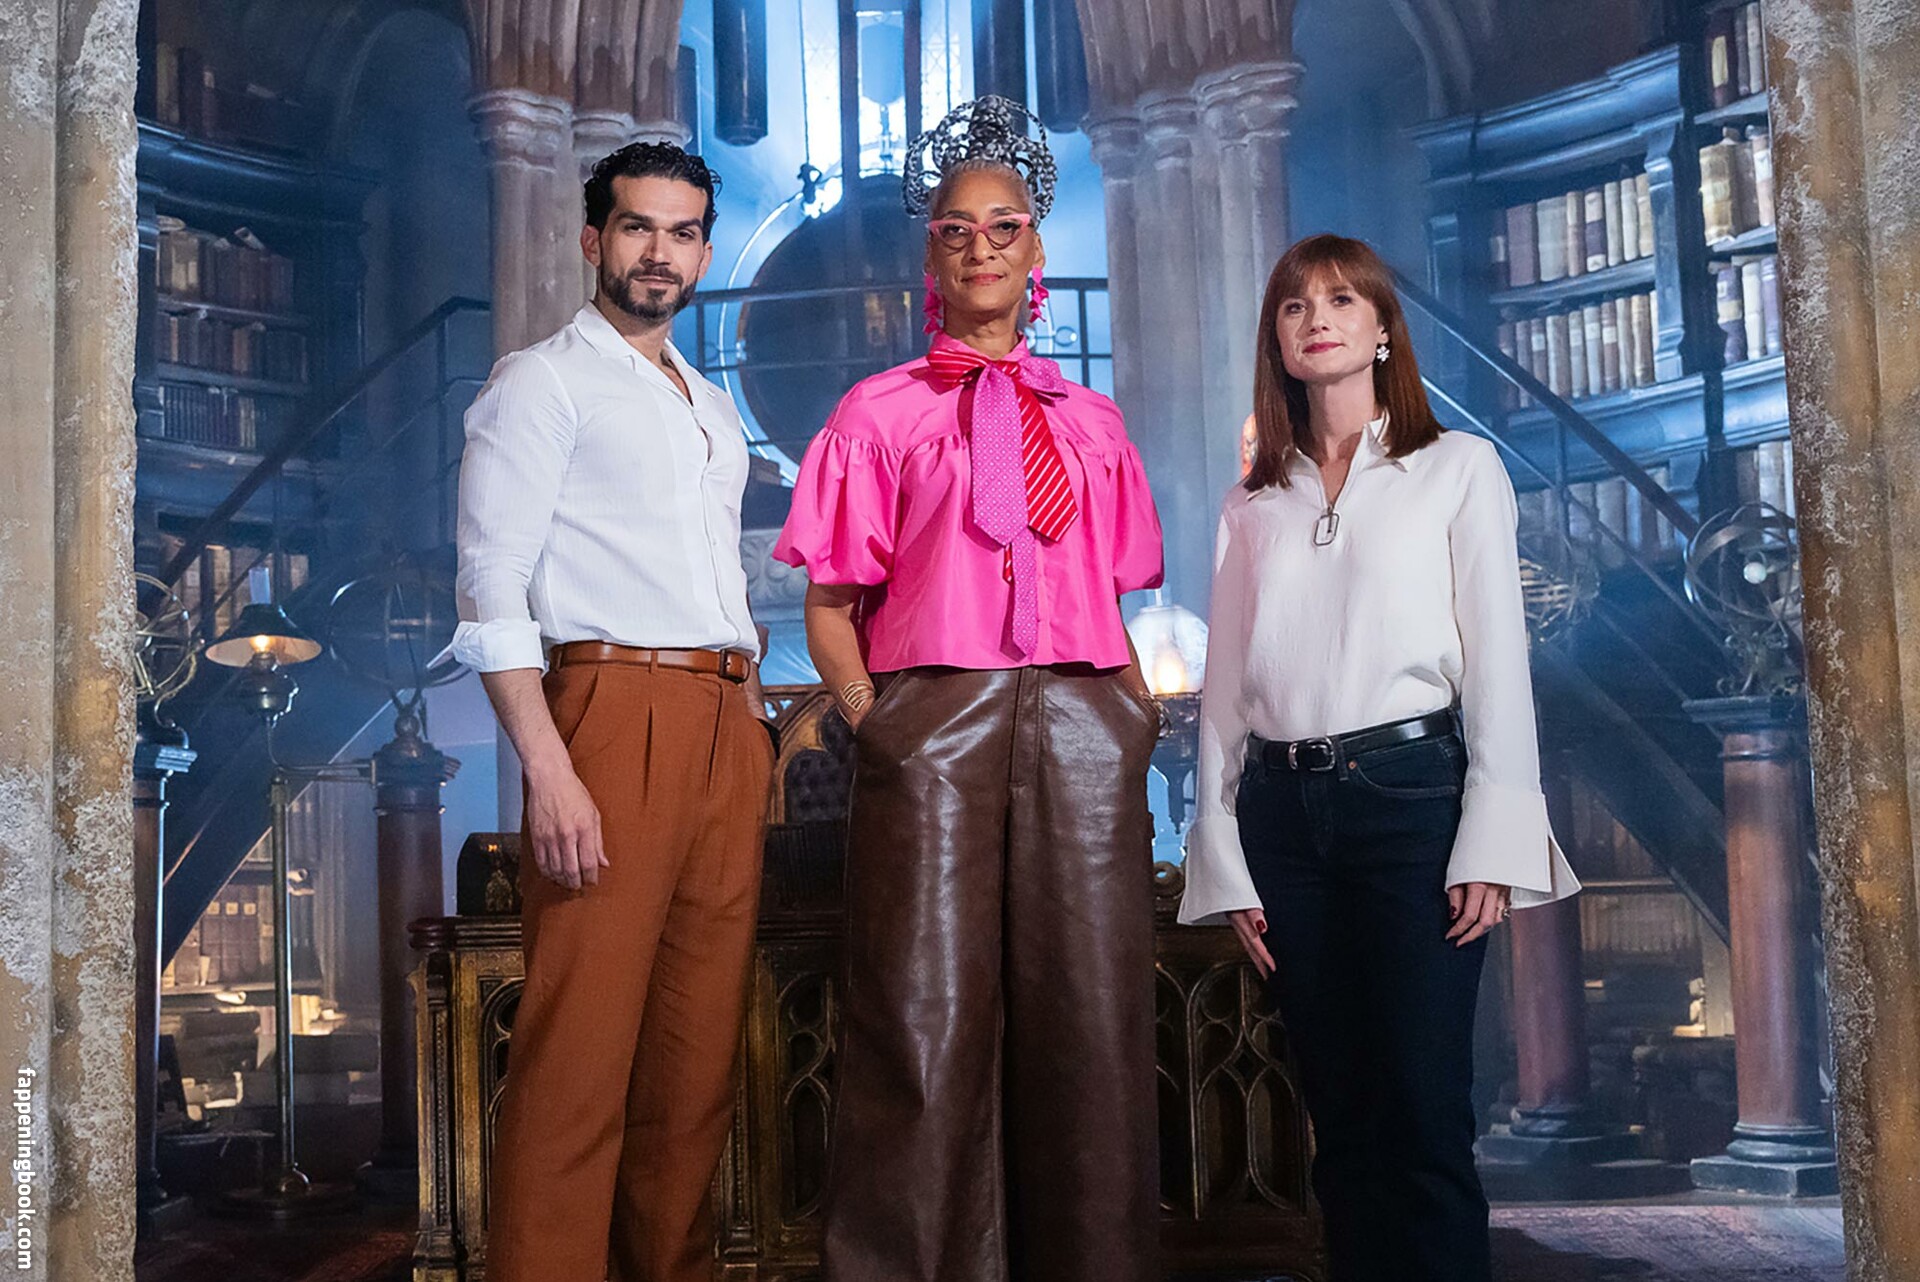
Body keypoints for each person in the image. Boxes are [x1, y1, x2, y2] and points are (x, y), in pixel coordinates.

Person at [772, 96, 1166, 1282]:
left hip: (1086, 721)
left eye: (1004, 226)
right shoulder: (877, 414)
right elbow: (831, 603)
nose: (981, 245)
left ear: (1036, 250)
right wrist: (878, 720)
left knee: (1091, 1026)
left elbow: (1117, 592)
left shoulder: (1093, 423)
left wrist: (1133, 716)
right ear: (931, 257)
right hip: (932, 724)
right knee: (920, 1023)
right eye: (957, 229)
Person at [1179, 234, 1580, 1282]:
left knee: (1424, 1112)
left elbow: (1498, 660)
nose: (1317, 318)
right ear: (1276, 338)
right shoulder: (1253, 501)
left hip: (1412, 802)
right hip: (1282, 818)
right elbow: (1225, 690)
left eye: (1342, 300)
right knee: (1343, 1122)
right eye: (1294, 305)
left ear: (1383, 329)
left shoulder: (1457, 468)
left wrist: (1492, 834)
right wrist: (1221, 847)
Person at [450, 141, 775, 1282]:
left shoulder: (710, 407)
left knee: (693, 1070)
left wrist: (750, 715)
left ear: (704, 252)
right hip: (609, 712)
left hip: (725, 725)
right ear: (594, 239)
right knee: (578, 1061)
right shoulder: (539, 383)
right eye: (638, 227)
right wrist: (551, 772)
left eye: (683, 232)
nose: (660, 252)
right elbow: (491, 589)